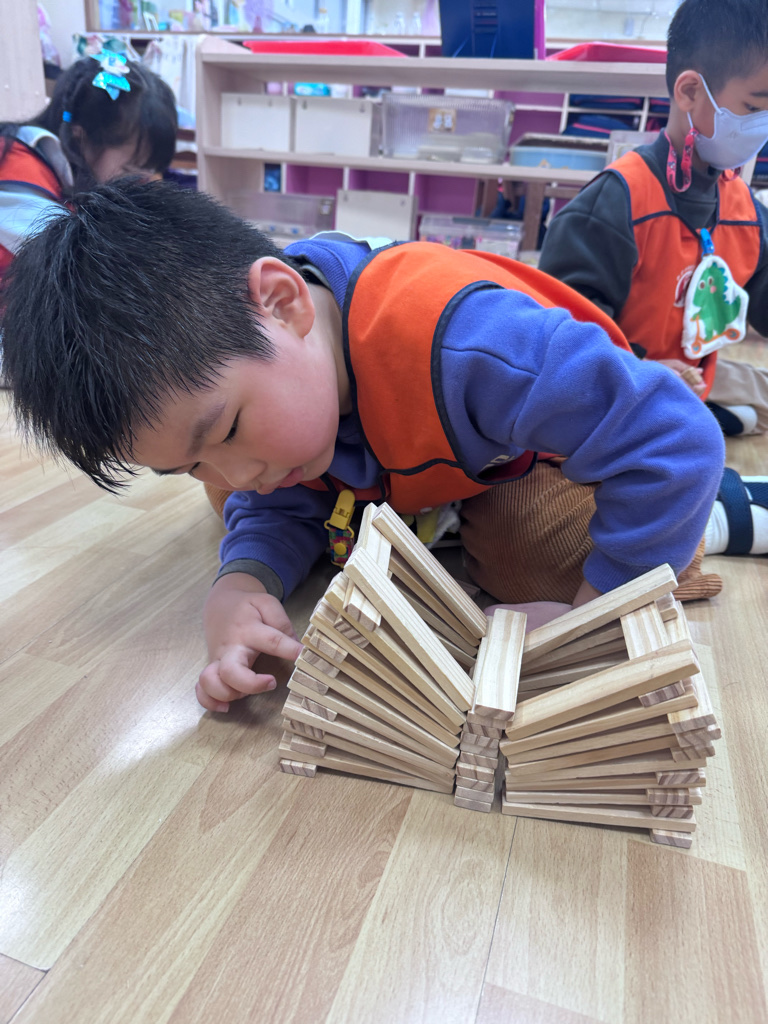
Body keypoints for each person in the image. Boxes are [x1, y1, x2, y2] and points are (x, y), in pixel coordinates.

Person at [0, 181, 725, 712]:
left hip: (552, 444)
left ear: (283, 302)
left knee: (533, 562)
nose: (235, 471)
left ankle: (723, 518)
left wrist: (592, 619)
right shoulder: (266, 388)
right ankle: (424, 515)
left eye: (224, 431)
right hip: (420, 462)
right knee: (233, 502)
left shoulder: (466, 344)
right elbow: (264, 499)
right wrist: (240, 587)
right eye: (187, 464)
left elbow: (675, 435)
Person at [539, 0, 768, 558]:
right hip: (608, 424)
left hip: (680, 408)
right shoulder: (614, 205)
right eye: (755, 107)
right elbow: (556, 345)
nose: (762, 127)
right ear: (690, 92)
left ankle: (708, 452)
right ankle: (709, 511)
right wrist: (637, 370)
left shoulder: (744, 208)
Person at [0, 51, 177, 284]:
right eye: (129, 171)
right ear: (80, 138)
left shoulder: (72, 174)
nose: (140, 184)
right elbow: (70, 273)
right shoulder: (16, 171)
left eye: (149, 173)